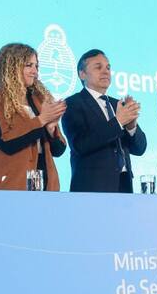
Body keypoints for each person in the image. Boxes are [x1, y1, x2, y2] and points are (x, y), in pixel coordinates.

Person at [0, 43, 67, 190]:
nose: (35, 71)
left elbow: (58, 150)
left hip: (42, 178)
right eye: (29, 65)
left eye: (36, 66)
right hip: (10, 184)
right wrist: (41, 120)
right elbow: (6, 142)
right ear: (12, 67)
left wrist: (52, 129)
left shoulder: (40, 98)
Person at [62, 49, 147, 193]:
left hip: (124, 186)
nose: (106, 71)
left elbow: (139, 149)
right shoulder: (72, 104)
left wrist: (131, 126)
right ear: (82, 74)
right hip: (92, 187)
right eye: (98, 67)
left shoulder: (117, 104)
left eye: (108, 67)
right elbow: (80, 144)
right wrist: (118, 122)